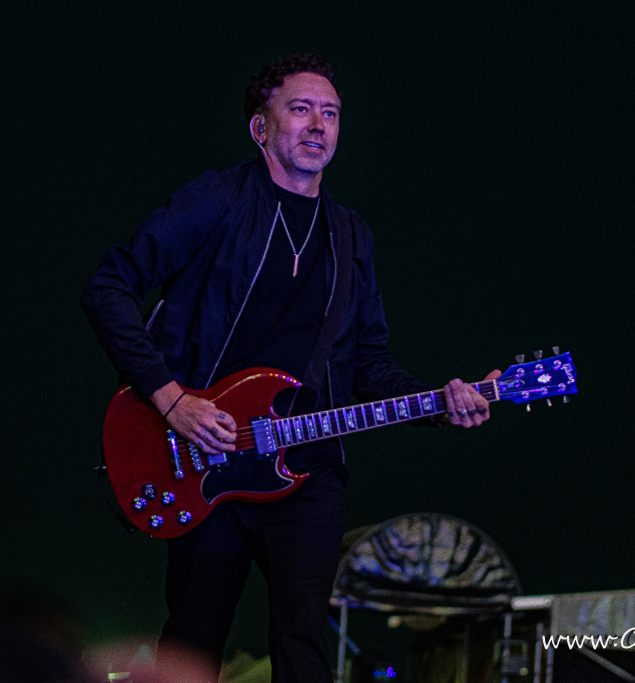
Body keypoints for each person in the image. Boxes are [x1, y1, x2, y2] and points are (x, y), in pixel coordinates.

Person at [81, 53, 500, 683]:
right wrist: (172, 399)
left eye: (331, 113)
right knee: (195, 639)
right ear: (261, 127)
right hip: (209, 454)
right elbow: (108, 285)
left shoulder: (351, 236)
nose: (318, 125)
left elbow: (368, 363)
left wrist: (440, 401)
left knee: (305, 640)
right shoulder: (217, 198)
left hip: (307, 464)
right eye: (300, 109)